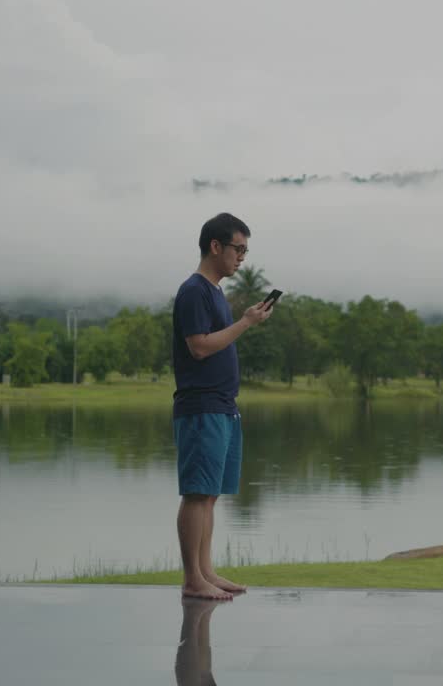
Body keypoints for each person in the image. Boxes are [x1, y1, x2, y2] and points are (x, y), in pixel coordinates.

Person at [172, 212, 273, 600]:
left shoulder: (215, 291)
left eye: (246, 251)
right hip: (201, 407)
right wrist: (246, 323)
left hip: (223, 407)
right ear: (216, 246)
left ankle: (205, 571)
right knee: (197, 493)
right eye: (238, 249)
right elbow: (198, 346)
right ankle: (192, 579)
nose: (242, 257)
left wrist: (246, 320)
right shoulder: (195, 290)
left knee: (209, 493)